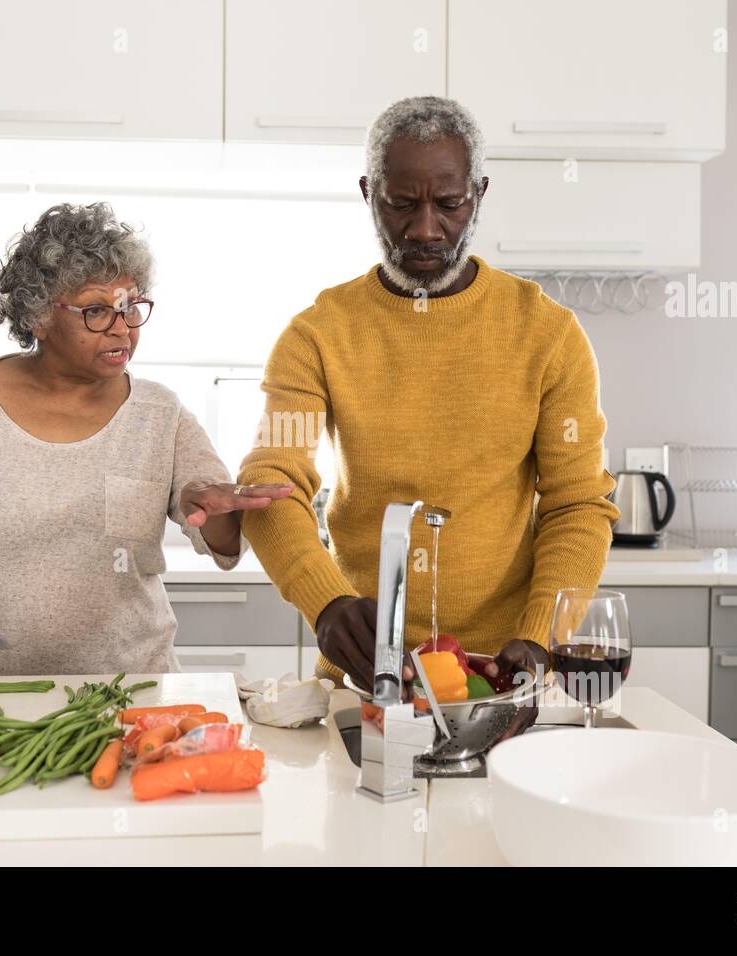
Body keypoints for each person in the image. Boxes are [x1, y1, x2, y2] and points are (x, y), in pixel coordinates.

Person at [238, 97, 619, 732]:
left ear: (479, 194)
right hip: (363, 681)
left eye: (448, 204)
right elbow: (271, 483)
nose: (423, 229)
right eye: (400, 202)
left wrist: (541, 635)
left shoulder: (548, 335)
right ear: (367, 193)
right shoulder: (317, 336)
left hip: (503, 680)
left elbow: (578, 504)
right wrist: (326, 602)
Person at [0, 201, 292, 676]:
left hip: (127, 695)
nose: (122, 327)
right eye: (96, 310)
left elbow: (220, 540)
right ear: (38, 316)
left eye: (131, 306)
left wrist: (213, 511)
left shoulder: (160, 413)